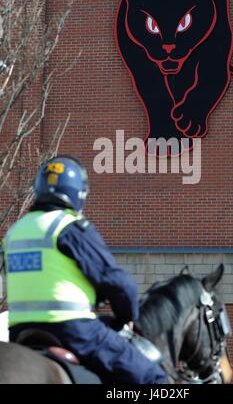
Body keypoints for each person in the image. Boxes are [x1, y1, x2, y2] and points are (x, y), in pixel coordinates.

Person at [3, 156, 167, 384]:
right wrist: (127, 316)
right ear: (78, 193)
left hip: (19, 332)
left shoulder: (15, 232)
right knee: (153, 378)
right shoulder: (68, 227)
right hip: (73, 330)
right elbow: (118, 283)